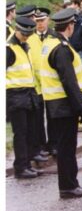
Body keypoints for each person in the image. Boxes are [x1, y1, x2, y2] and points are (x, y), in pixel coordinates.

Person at [42, 8, 82, 199]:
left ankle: (69, 184)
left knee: (64, 146)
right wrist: (81, 106)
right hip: (64, 105)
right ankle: (69, 185)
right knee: (67, 148)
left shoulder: (49, 42)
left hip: (55, 104)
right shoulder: (61, 49)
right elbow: (69, 82)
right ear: (70, 26)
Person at [6, 16, 42, 179]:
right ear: (18, 30)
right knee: (20, 133)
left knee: (28, 131)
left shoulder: (23, 45)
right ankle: (20, 167)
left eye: (29, 34)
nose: (27, 37)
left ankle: (27, 163)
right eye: (24, 34)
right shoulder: (9, 48)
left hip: (27, 93)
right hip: (15, 95)